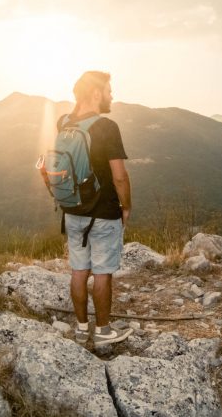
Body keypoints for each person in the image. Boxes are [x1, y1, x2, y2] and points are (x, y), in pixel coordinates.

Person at [60, 71, 133, 345]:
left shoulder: (63, 123)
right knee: (102, 272)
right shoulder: (106, 127)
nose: (111, 95)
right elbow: (119, 176)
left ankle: (81, 329)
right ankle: (103, 331)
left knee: (79, 271)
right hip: (103, 212)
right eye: (108, 90)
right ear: (95, 93)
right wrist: (126, 206)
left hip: (72, 209)